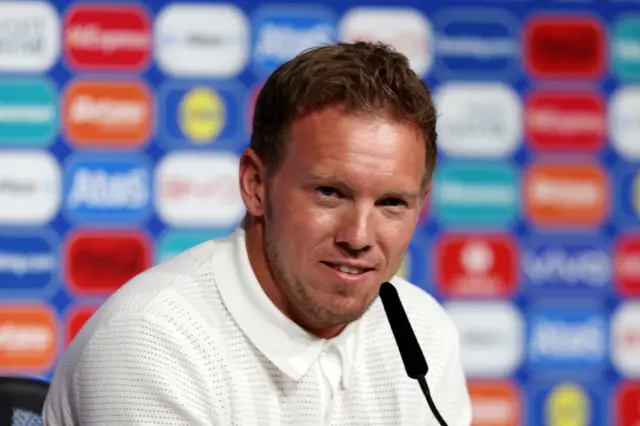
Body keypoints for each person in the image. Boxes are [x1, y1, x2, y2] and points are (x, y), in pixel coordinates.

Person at [43, 41, 472, 425]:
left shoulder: (422, 332)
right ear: (255, 186)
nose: (359, 236)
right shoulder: (153, 340)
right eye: (329, 193)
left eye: (392, 203)